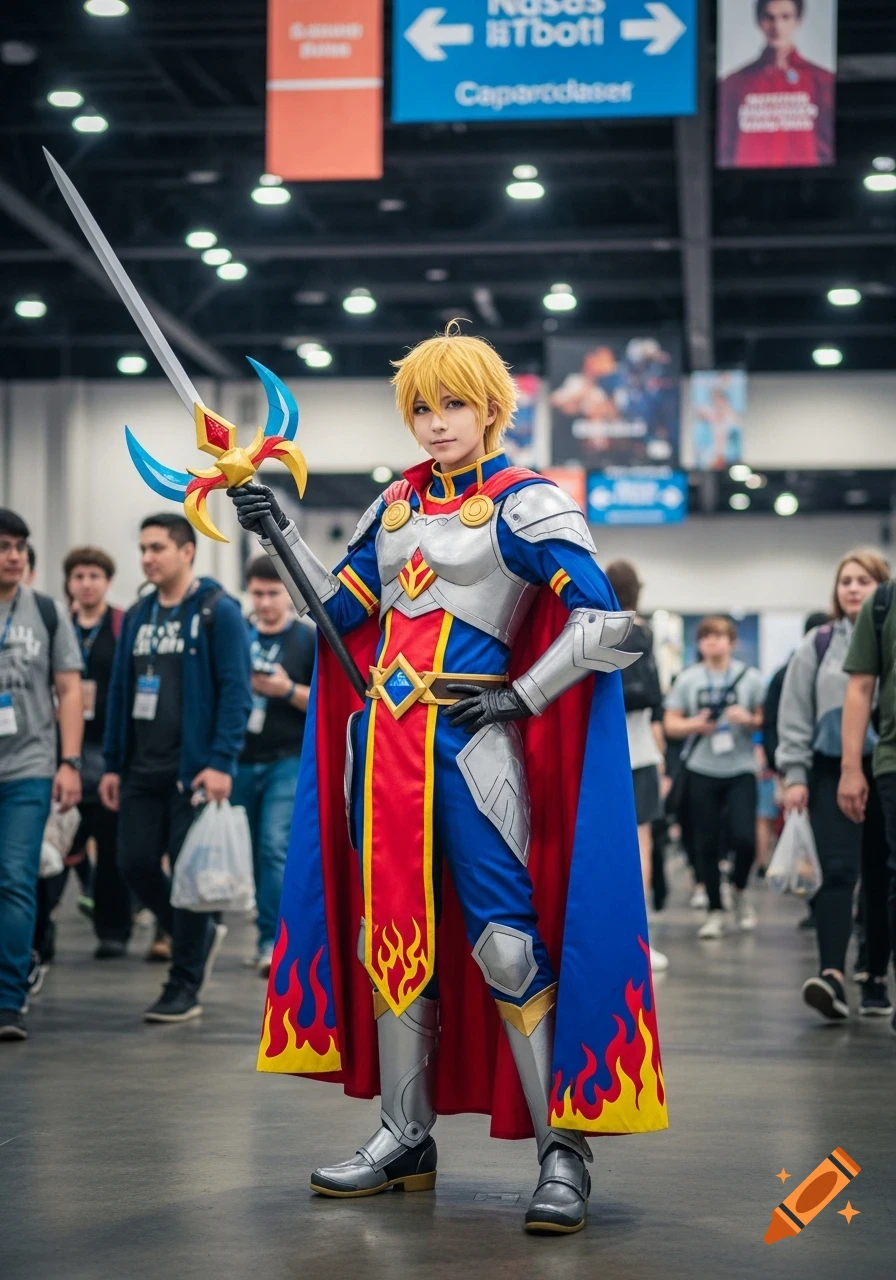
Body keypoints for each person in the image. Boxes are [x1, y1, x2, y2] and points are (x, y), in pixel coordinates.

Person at [229, 326, 668, 1235]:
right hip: (383, 745)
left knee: (506, 940)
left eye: (454, 404)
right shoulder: (392, 507)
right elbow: (337, 609)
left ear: (492, 408)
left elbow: (611, 625)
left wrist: (520, 695)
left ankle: (561, 1149)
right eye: (423, 408)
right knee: (389, 933)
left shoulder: (527, 502)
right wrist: (277, 532)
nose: (436, 422)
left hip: (472, 746)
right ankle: (403, 1134)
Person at [99, 513, 251, 1023]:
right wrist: (114, 763)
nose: (147, 558)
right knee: (134, 863)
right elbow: (120, 691)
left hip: (194, 770)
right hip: (140, 768)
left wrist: (222, 761)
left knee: (189, 877)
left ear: (187, 551)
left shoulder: (217, 611)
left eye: (157, 547)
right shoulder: (139, 614)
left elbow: (236, 691)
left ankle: (184, 983)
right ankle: (195, 935)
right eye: (143, 548)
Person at [777, 550, 891, 1021]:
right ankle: (832, 976)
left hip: (885, 768)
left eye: (864, 580)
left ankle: (875, 975)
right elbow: (794, 712)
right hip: (830, 770)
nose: (853, 588)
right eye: (846, 581)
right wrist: (794, 775)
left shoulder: (888, 636)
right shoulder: (818, 644)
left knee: (882, 874)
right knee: (838, 872)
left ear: (882, 589)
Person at [0, 509, 83, 1042]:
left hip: (28, 768)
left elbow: (69, 690)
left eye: (20, 547)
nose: (14, 556)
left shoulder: (47, 612)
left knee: (14, 878)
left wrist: (69, 763)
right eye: (4, 546)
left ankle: (9, 999)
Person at [233, 555, 314, 977]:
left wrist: (285, 690)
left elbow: (324, 702)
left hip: (287, 758)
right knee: (249, 851)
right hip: (240, 759)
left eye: (273, 593)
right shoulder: (237, 637)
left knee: (272, 846)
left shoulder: (306, 639)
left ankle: (275, 940)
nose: (264, 602)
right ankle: (266, 931)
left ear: (287, 593)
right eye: (257, 594)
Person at [664, 617, 765, 939]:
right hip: (701, 769)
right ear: (700, 643)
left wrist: (748, 720)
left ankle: (739, 889)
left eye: (719, 636)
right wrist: (694, 725)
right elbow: (670, 723)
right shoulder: (688, 679)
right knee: (705, 843)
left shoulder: (750, 678)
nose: (713, 641)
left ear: (732, 642)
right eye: (707, 636)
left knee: (744, 838)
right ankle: (715, 909)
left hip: (741, 768)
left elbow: (765, 718)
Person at [62, 547, 133, 958]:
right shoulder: (61, 626)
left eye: (94, 576)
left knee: (110, 846)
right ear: (69, 582)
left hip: (110, 751)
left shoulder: (121, 625)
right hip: (67, 750)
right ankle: (41, 934)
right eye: (79, 576)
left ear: (107, 582)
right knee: (65, 841)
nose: (86, 584)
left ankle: (114, 929)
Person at [839, 566, 896, 1035]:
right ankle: (874, 972)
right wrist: (851, 767)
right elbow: (860, 687)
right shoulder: (883, 605)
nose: (854, 588)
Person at [605, 559, 668, 972]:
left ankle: (607, 934)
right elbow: (656, 702)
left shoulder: (591, 630)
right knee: (641, 845)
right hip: (641, 754)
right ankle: (639, 940)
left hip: (604, 755)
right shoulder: (643, 632)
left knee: (604, 845)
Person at [717, 0, 835, 169]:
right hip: (744, 177)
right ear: (759, 22)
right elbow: (727, 143)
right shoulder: (732, 83)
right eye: (769, 17)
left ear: (798, 21)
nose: (777, 26)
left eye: (785, 17)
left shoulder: (822, 80)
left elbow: (826, 142)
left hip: (810, 177)